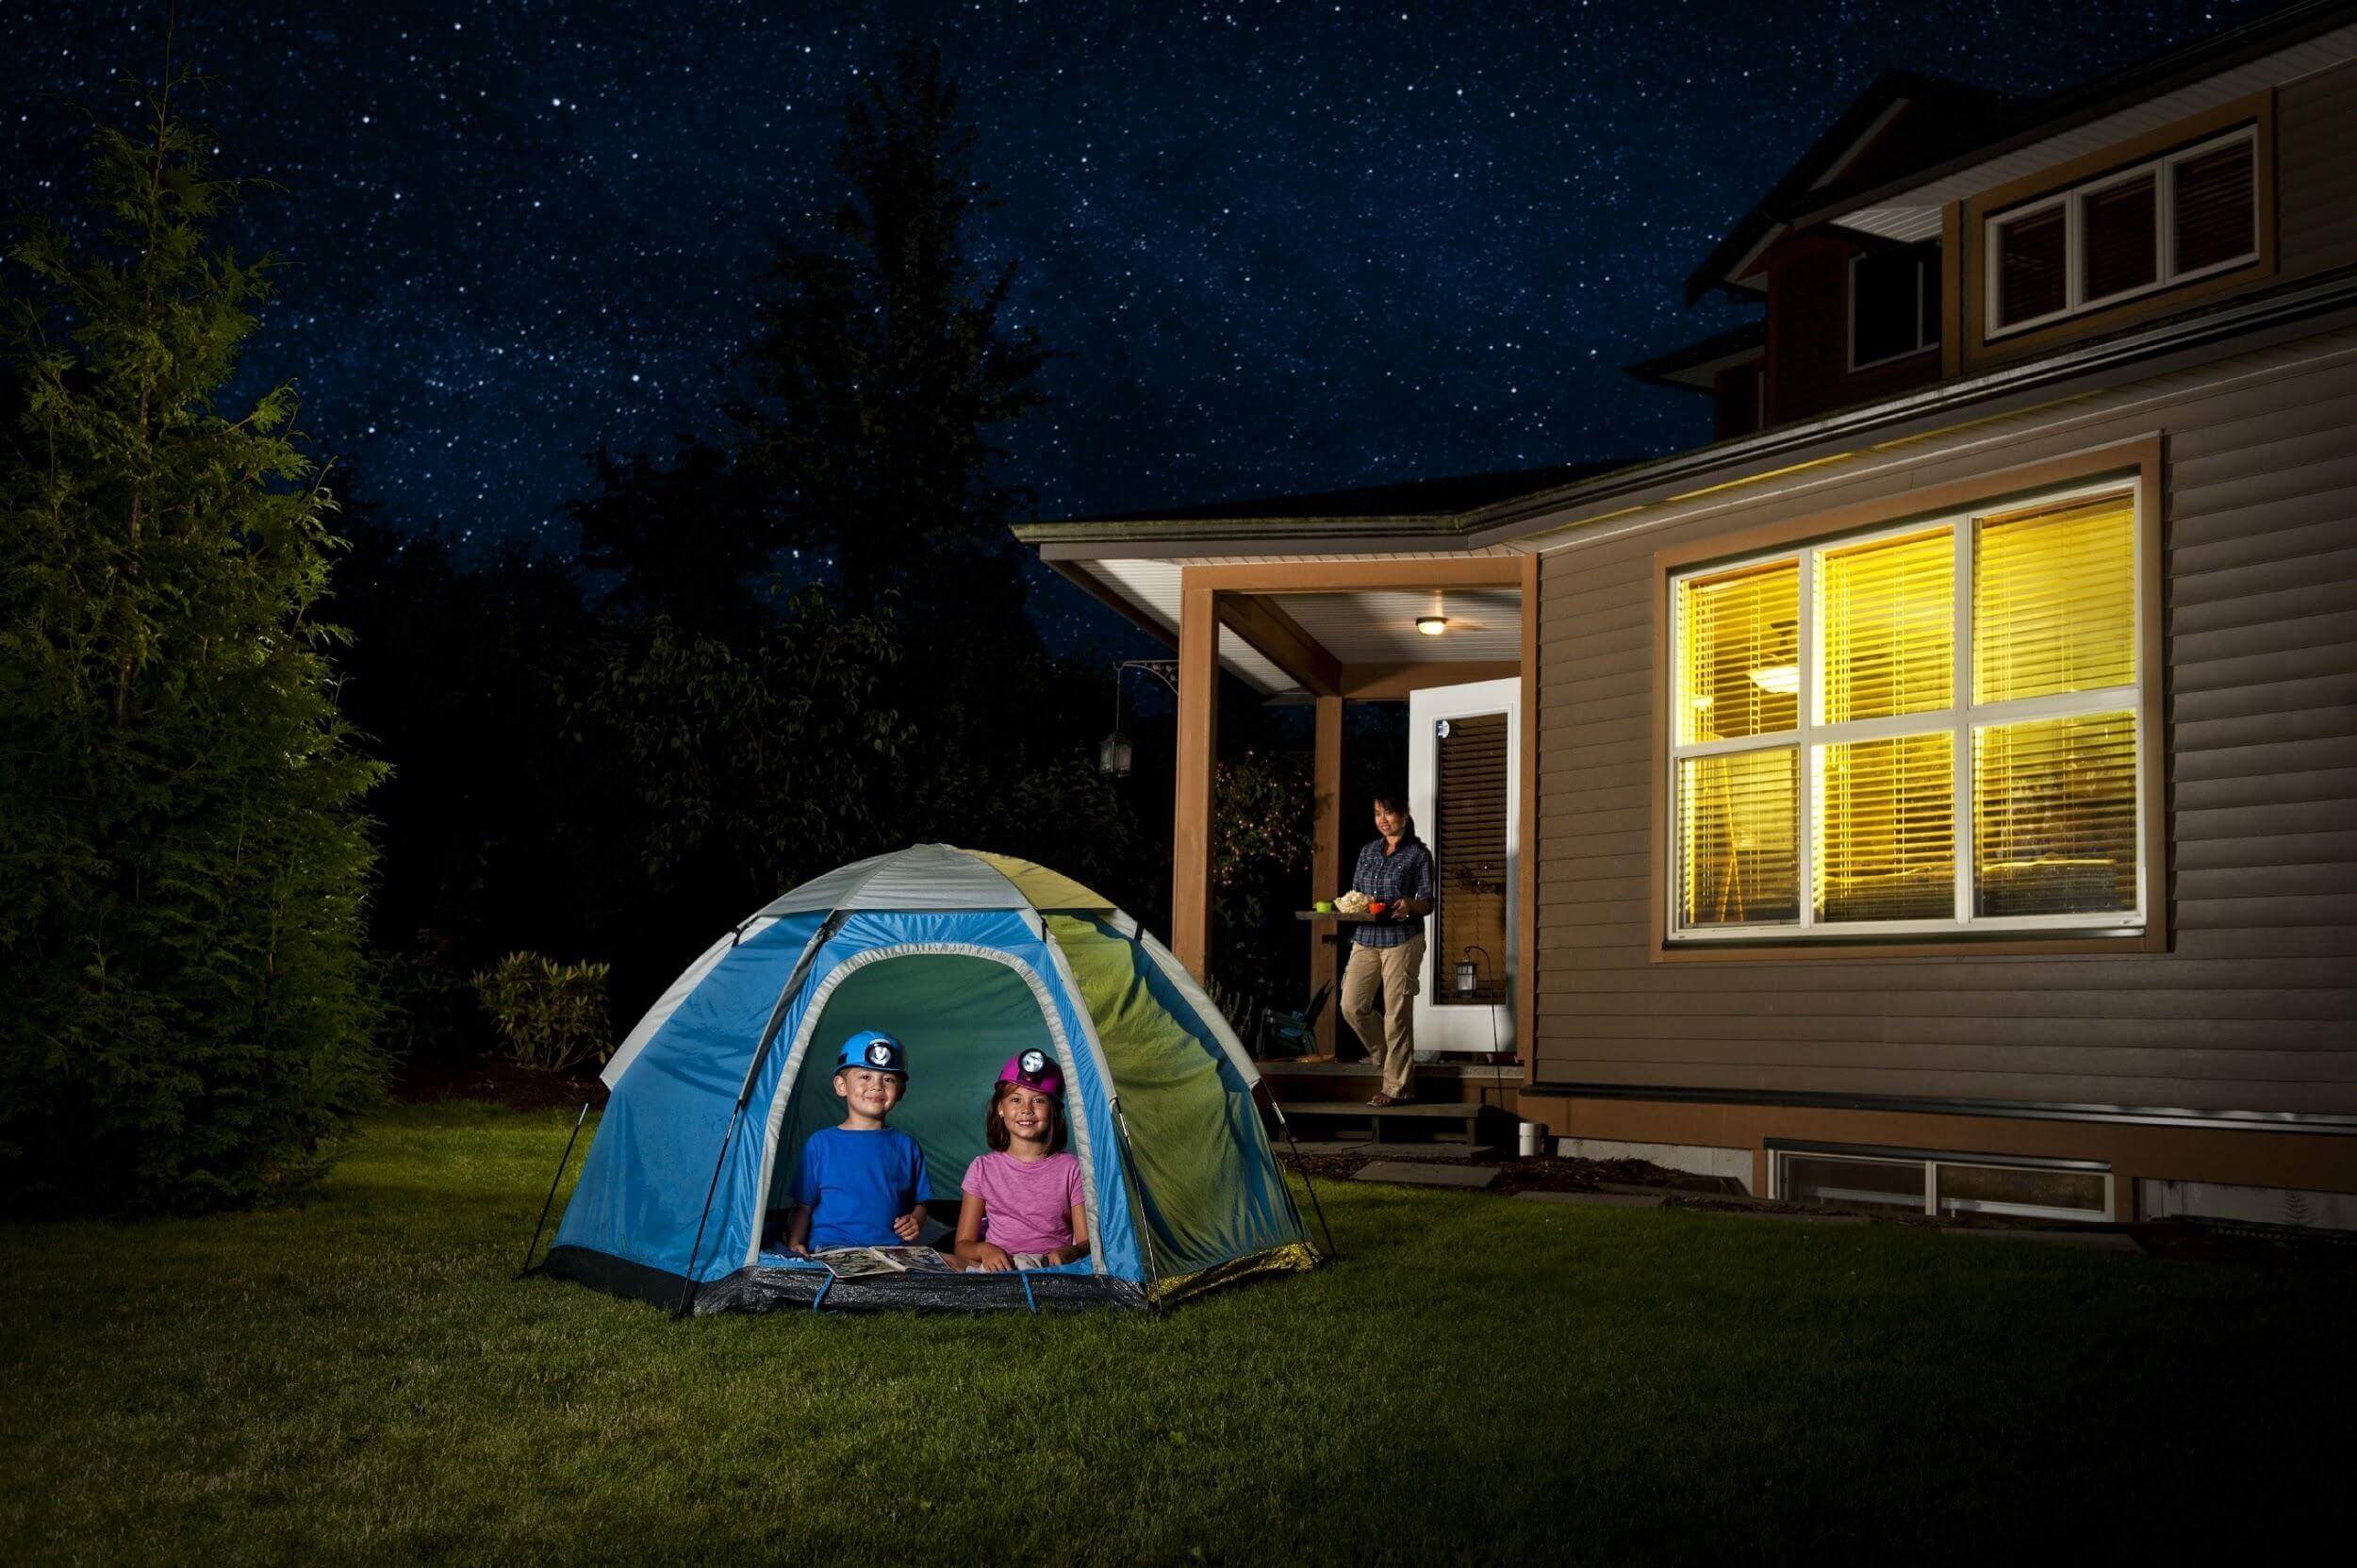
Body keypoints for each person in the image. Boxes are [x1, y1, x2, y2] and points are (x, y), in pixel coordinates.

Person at [784, 1030, 932, 1256]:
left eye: (889, 1079)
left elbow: (920, 1203)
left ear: (901, 1091)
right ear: (841, 1085)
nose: (877, 1086)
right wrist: (795, 1243)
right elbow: (803, 1206)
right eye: (865, 1076)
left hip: (891, 1250)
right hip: (833, 1248)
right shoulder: (821, 1144)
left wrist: (916, 1221)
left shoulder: (907, 1146)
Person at [1340, 791, 1435, 1108]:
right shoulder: (1367, 852)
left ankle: (1397, 1087)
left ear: (1404, 816)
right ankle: (1385, 1056)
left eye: (1389, 813)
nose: (1383, 819)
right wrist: (1351, 907)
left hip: (1402, 939)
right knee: (1352, 1005)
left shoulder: (1418, 855)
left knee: (1397, 1016)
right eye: (1378, 813)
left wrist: (1410, 904)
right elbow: (1358, 897)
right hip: (1366, 936)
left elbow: (1428, 903)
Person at [955, 1049, 1090, 1272]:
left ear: (1054, 1111)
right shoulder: (982, 1168)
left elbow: (1087, 1242)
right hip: (996, 1267)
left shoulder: (1072, 1169)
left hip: (1048, 1267)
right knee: (944, 1261)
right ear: (1000, 1108)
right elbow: (962, 1246)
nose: (1026, 1110)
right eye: (1015, 1099)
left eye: (1038, 1101)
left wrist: (1071, 1252)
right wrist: (985, 1250)